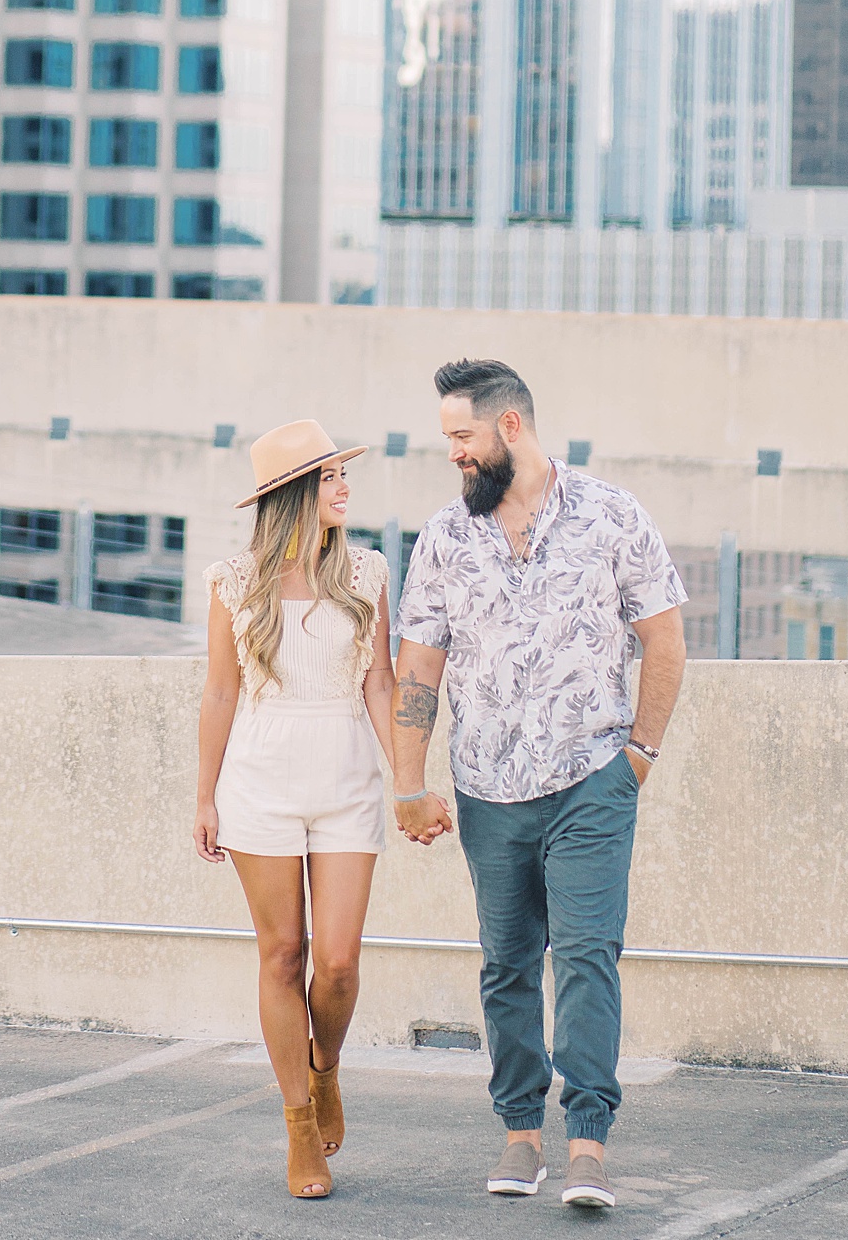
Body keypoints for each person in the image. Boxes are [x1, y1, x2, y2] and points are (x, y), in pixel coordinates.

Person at [391, 358, 687, 1210]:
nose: (452, 454)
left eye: (461, 437)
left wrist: (639, 756)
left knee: (589, 958)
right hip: (486, 790)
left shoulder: (611, 515)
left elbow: (663, 639)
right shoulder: (445, 538)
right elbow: (419, 667)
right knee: (507, 965)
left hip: (592, 778)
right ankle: (522, 1134)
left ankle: (588, 1142)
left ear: (509, 427)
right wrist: (409, 781)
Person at [194, 419, 394, 1201]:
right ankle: (298, 1122)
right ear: (294, 494)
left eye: (343, 474)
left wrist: (406, 779)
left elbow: (380, 683)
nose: (345, 486)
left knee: (337, 962)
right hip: (259, 783)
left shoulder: (370, 573)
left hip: (347, 777)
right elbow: (220, 690)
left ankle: (327, 1065)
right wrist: (204, 796)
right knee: (283, 954)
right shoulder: (234, 581)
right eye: (330, 477)